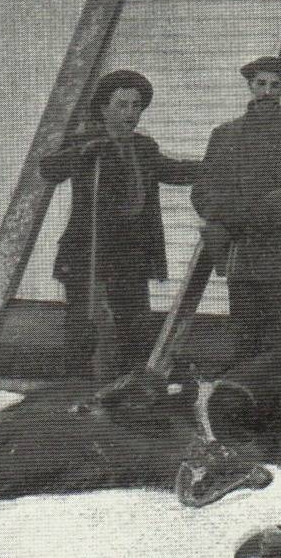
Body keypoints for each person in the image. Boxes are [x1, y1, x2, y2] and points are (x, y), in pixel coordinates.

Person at [40, 69, 203, 377]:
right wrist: (83, 151)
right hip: (88, 252)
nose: (131, 113)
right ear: (104, 108)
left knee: (135, 327)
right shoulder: (86, 142)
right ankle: (75, 389)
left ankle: (127, 388)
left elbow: (174, 171)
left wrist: (217, 166)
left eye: (136, 106)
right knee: (84, 327)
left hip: (131, 255)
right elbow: (49, 169)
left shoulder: (143, 147)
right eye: (122, 105)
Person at [192, 56, 281, 362]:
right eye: (261, 83)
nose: (267, 92)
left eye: (275, 86)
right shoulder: (224, 135)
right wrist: (231, 214)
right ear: (250, 85)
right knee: (243, 333)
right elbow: (202, 191)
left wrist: (267, 215)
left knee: (274, 338)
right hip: (240, 250)